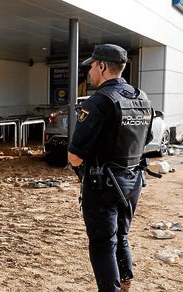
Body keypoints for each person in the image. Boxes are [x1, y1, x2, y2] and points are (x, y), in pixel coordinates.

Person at [68, 44, 154, 292]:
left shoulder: (99, 102)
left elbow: (74, 156)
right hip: (132, 180)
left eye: (92, 66)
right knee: (121, 235)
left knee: (102, 244)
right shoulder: (141, 97)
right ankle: (125, 279)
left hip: (103, 184)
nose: (90, 72)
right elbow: (145, 140)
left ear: (103, 66)